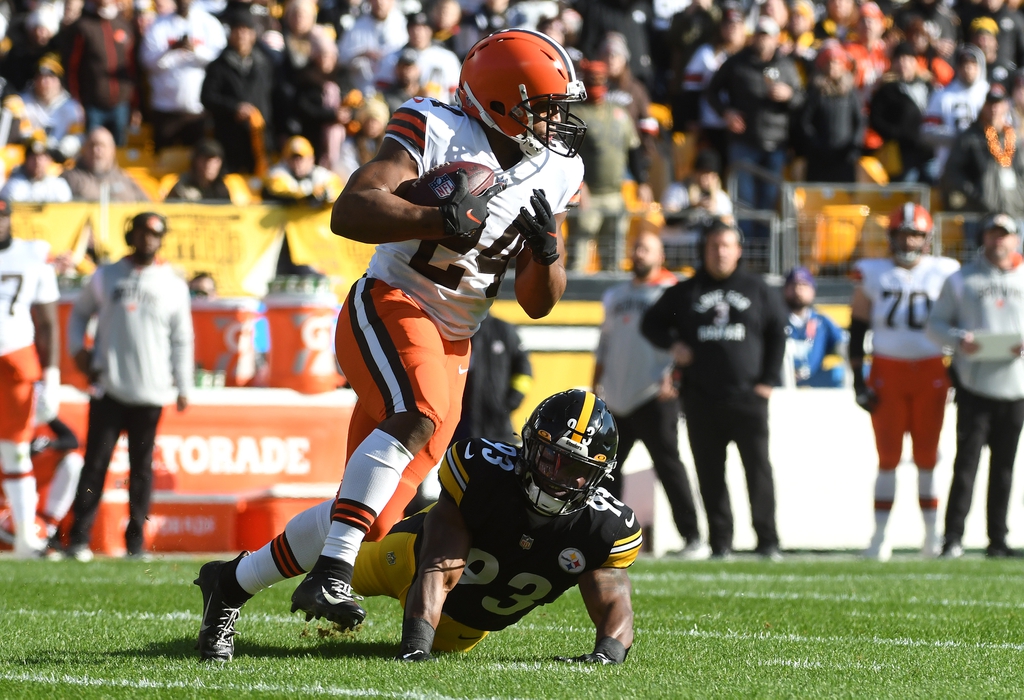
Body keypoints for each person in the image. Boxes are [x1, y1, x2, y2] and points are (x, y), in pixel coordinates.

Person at [284, 28, 585, 631]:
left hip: (454, 336)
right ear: (502, 102)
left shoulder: (559, 168)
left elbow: (537, 303)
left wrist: (548, 255)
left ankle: (232, 581)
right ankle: (333, 574)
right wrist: (437, 216)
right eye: (543, 107)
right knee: (419, 411)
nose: (555, 121)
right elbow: (350, 210)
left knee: (374, 513)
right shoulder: (434, 125)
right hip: (393, 300)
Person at [194, 390, 639, 664]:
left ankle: (231, 580)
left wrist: (606, 656)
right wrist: (414, 647)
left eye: (573, 469)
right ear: (528, 446)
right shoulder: (484, 473)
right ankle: (233, 579)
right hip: (405, 562)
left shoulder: (605, 526)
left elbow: (614, 604)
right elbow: (438, 563)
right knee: (353, 527)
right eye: (550, 458)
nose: (556, 476)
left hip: (463, 629)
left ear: (598, 475)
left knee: (357, 534)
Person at [641, 219, 787, 559]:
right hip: (701, 399)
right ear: (703, 250)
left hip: (749, 398)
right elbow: (651, 323)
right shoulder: (688, 291)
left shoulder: (758, 288)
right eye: (714, 246)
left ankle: (767, 541)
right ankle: (721, 543)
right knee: (710, 474)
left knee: (758, 471)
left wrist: (767, 381)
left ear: (738, 251)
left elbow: (778, 332)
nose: (720, 252)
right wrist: (673, 344)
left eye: (726, 246)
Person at [66, 212, 194, 560]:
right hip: (108, 387)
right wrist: (78, 351)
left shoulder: (172, 284)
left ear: (162, 238)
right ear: (131, 235)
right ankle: (78, 539)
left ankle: (135, 543)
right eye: (142, 231)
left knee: (141, 470)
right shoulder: (105, 275)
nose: (148, 238)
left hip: (151, 392)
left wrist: (183, 384)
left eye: (155, 233)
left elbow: (182, 338)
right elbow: (78, 314)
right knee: (95, 464)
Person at [849, 203, 960, 561]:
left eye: (916, 233)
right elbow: (857, 330)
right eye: (903, 233)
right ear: (891, 236)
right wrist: (857, 379)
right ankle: (880, 538)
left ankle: (932, 536)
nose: (909, 240)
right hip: (887, 370)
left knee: (928, 455)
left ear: (927, 238)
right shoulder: (873, 272)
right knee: (888, 457)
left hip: (930, 370)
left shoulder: (945, 271)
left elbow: (958, 320)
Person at [594, 231, 704, 556]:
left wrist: (677, 377)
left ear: (660, 256)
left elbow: (683, 342)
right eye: (637, 246)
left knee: (669, 466)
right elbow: (604, 346)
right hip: (615, 396)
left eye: (647, 248)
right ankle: (604, 535)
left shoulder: (671, 292)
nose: (639, 252)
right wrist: (595, 385)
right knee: (606, 468)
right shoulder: (614, 295)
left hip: (655, 393)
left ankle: (692, 536)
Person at [927, 213, 1024, 558]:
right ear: (983, 238)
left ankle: (997, 539)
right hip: (973, 384)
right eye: (993, 234)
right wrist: (958, 339)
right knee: (966, 465)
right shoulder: (961, 279)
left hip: (1016, 387)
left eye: (1005, 235)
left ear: (1015, 238)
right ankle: (953, 538)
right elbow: (934, 324)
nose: (999, 241)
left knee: (1004, 468)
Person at [0, 199, 61, 557]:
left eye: (2, 216)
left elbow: (49, 322)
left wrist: (51, 377)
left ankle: (25, 535)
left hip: (16, 360)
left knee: (16, 449)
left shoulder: (32, 255)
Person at [706, 16, 804, 237]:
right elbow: (711, 92)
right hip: (744, 141)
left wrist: (789, 95)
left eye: (767, 35)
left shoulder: (786, 65)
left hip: (776, 142)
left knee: (769, 198)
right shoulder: (735, 62)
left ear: (776, 38)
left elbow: (802, 100)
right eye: (759, 34)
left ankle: (765, 251)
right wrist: (726, 113)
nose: (762, 39)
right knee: (744, 198)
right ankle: (744, 247)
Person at [570, 60, 649, 272]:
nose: (596, 83)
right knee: (579, 254)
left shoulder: (620, 113)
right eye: (592, 79)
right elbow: (566, 156)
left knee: (613, 255)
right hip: (587, 194)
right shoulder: (574, 114)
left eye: (600, 79)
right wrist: (578, 185)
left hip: (615, 193)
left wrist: (642, 182)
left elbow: (634, 149)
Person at [139, 0, 227, 152]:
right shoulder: (159, 25)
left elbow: (221, 59)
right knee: (162, 161)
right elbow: (147, 61)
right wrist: (171, 49)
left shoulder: (208, 23)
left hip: (196, 111)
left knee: (194, 160)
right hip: (165, 109)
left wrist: (196, 50)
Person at [200, 8, 275, 175]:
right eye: (237, 30)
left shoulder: (264, 64)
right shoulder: (218, 66)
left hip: (259, 139)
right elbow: (207, 97)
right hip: (228, 137)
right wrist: (234, 107)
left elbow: (273, 98)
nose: (241, 35)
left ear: (253, 35)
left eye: (246, 30)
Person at [0, 417, 84, 552]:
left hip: (36, 496)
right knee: (12, 527)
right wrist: (20, 451)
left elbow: (73, 441)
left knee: (74, 462)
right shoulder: (8, 414)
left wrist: (49, 444)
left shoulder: (41, 415)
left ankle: (50, 528)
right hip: (5, 502)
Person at [943, 84, 1024, 219]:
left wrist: (1020, 197)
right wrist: (976, 195)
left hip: (1015, 211)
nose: (994, 108)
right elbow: (952, 172)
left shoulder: (1014, 138)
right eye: (990, 103)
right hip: (981, 214)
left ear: (1006, 106)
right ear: (984, 106)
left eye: (998, 103)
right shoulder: (970, 137)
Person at [65, 0, 137, 145]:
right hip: (93, 104)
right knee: (94, 148)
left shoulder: (124, 25)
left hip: (120, 103)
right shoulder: (84, 27)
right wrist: (77, 100)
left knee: (120, 150)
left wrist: (135, 103)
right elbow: (73, 67)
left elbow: (132, 68)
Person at [452, 313, 531, 444]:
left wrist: (508, 404)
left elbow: (524, 372)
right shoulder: (453, 329)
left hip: (498, 429)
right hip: (458, 427)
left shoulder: (504, 330)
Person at [800, 40, 865, 183]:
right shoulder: (815, 90)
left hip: (845, 157)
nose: (832, 66)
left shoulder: (850, 91)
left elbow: (859, 120)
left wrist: (853, 146)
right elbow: (806, 121)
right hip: (819, 158)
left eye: (836, 62)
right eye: (829, 62)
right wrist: (816, 145)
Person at [869, 42, 934, 183]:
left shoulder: (927, 86)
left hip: (928, 150)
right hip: (900, 152)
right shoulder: (886, 89)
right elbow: (876, 119)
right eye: (899, 59)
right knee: (905, 189)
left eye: (907, 59)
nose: (903, 63)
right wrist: (896, 134)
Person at [922, 45, 988, 181]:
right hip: (950, 167)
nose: (968, 69)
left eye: (973, 64)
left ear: (981, 66)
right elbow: (927, 131)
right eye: (964, 64)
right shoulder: (942, 95)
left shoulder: (991, 96)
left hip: (985, 167)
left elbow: (1006, 131)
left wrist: (979, 140)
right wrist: (959, 138)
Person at [783, 266, 847, 388]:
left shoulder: (821, 321)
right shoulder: (776, 320)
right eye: (793, 285)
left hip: (816, 380)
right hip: (781, 381)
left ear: (813, 290)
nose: (798, 289)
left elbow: (843, 342)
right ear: (785, 290)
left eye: (804, 285)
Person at [62, 127, 150, 202]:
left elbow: (148, 208)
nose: (96, 150)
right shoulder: (70, 178)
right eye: (92, 145)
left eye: (102, 146)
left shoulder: (125, 179)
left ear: (113, 151)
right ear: (83, 149)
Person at [262, 135, 345, 204]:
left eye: (301, 158)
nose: (297, 163)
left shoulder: (325, 177)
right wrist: (307, 197)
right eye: (293, 158)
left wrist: (327, 196)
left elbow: (338, 192)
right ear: (286, 159)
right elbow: (279, 192)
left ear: (311, 159)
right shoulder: (277, 174)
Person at [0, 134, 73, 203]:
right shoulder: (14, 185)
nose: (37, 161)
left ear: (50, 160)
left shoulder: (59, 186)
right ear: (26, 160)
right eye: (33, 157)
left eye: (41, 157)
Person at [164, 139, 234, 202]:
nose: (209, 166)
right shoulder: (183, 186)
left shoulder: (222, 188)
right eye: (205, 160)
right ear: (195, 162)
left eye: (215, 161)